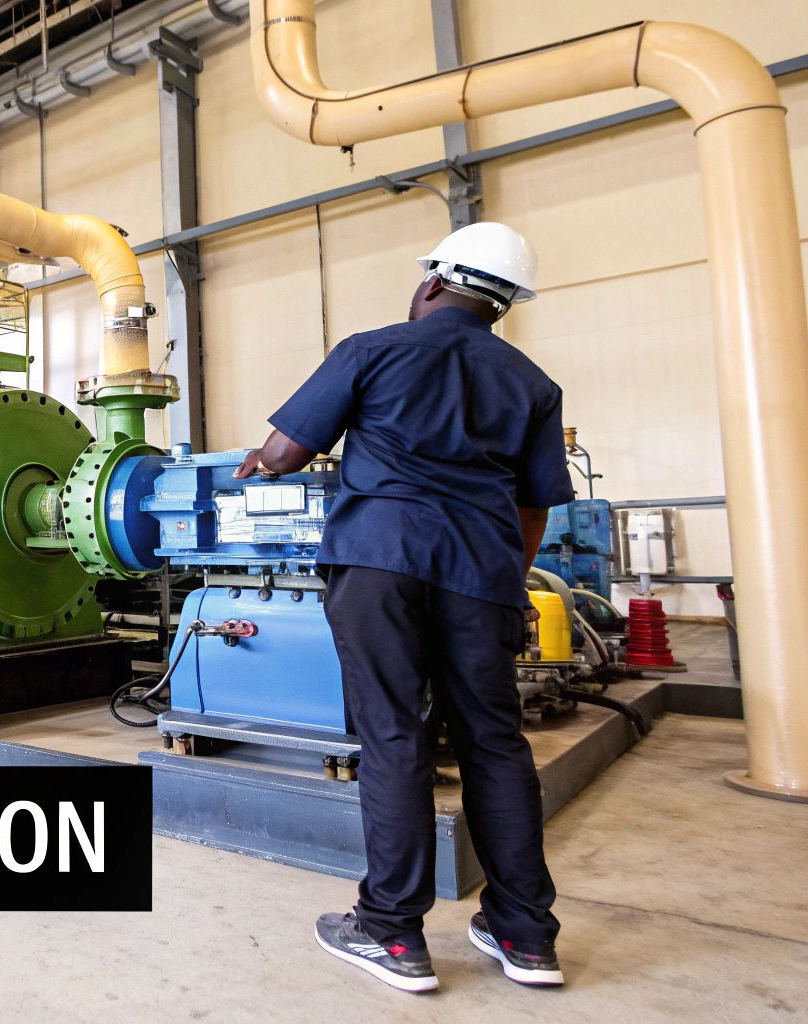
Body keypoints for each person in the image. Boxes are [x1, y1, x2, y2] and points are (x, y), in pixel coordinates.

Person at [233, 222, 575, 994]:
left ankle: (392, 933)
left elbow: (283, 454)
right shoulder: (532, 384)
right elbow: (534, 508)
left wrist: (260, 463)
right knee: (495, 743)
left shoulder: (372, 348)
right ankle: (525, 935)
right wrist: (502, 576)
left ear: (431, 283)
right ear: (503, 307)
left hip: (379, 563)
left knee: (394, 738)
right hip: (481, 574)